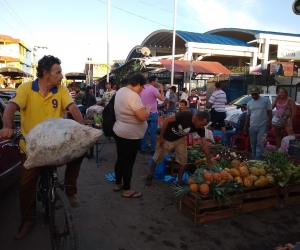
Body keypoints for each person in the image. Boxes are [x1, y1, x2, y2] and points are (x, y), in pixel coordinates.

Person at [0, 55, 84, 240]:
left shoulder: (60, 90)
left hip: (55, 144)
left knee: (80, 150)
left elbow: (73, 108)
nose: (61, 76)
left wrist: (81, 125)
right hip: (31, 148)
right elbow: (10, 107)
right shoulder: (26, 89)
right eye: (58, 72)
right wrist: (7, 126)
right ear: (46, 74)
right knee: (26, 184)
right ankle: (28, 219)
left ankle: (70, 190)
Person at [145, 111, 212, 186]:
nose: (202, 127)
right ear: (197, 118)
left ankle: (179, 182)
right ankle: (150, 175)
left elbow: (205, 145)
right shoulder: (184, 115)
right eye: (202, 124)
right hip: (168, 137)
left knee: (183, 159)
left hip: (180, 139)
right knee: (158, 156)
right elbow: (166, 121)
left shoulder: (200, 128)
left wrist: (209, 162)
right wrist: (161, 137)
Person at [113, 73, 151, 198]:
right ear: (138, 84)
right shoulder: (133, 96)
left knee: (121, 159)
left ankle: (118, 184)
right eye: (142, 87)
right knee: (128, 162)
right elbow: (142, 117)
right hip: (130, 135)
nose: (142, 89)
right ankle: (127, 190)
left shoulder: (121, 91)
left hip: (119, 131)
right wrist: (148, 110)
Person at [243, 85, 272, 158]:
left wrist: (269, 122)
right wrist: (245, 126)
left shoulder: (266, 100)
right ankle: (253, 157)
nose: (254, 95)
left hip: (263, 126)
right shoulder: (249, 103)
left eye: (256, 94)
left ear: (259, 93)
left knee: (260, 143)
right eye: (253, 94)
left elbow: (269, 112)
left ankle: (258, 159)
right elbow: (248, 115)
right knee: (253, 143)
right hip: (252, 126)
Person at [140, 75, 164, 155]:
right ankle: (152, 150)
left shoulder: (142, 88)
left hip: (144, 112)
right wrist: (161, 89)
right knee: (153, 132)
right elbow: (162, 99)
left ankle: (143, 149)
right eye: (156, 81)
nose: (157, 83)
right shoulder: (154, 89)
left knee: (144, 132)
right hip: (153, 113)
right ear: (153, 81)